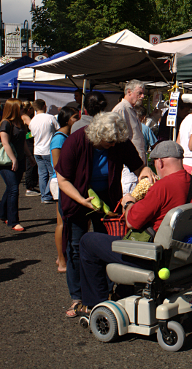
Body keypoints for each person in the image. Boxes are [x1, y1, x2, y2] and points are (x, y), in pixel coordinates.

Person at [77, 141, 192, 313]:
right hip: (185, 254)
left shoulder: (162, 186)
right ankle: (122, 294)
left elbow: (132, 221)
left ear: (160, 162)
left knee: (88, 241)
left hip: (154, 256)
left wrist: (128, 202)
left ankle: (95, 303)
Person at [55, 111, 157, 318]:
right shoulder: (75, 141)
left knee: (109, 244)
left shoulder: (119, 142)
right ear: (97, 135)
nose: (112, 146)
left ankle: (105, 292)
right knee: (75, 247)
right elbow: (63, 180)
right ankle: (78, 297)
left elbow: (138, 166)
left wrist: (145, 173)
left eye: (115, 142)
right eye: (108, 142)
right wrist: (81, 200)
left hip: (109, 198)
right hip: (77, 196)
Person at [51, 107, 79, 273]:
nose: (77, 120)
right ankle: (62, 260)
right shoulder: (59, 138)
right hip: (60, 182)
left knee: (65, 222)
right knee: (61, 223)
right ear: (68, 119)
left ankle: (62, 257)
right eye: (75, 117)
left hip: (64, 181)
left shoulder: (65, 136)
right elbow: (57, 166)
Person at [0, 98, 28, 232]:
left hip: (20, 159)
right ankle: (13, 221)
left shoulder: (20, 122)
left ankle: (1, 214)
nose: (23, 109)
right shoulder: (5, 123)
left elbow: (23, 142)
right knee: (14, 189)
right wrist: (13, 159)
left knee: (11, 188)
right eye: (21, 107)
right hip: (7, 162)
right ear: (14, 108)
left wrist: (30, 157)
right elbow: (5, 143)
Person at [112, 80, 146, 193]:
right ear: (129, 92)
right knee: (129, 195)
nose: (142, 96)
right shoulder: (121, 109)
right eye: (139, 93)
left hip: (134, 163)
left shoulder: (130, 109)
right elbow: (117, 137)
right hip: (128, 165)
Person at [29, 99, 60, 205]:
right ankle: (47, 194)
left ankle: (44, 196)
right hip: (48, 149)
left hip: (37, 150)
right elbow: (58, 130)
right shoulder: (50, 118)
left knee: (42, 174)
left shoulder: (33, 120)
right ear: (44, 106)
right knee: (53, 173)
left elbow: (32, 134)